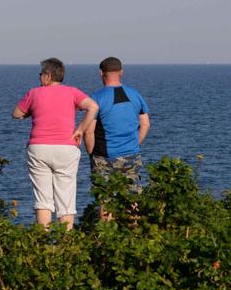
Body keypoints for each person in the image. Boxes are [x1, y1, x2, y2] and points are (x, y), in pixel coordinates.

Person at [12, 58, 98, 228]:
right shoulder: (72, 92)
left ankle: (43, 244)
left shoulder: (34, 93)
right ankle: (65, 245)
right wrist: (80, 129)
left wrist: (31, 112)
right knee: (66, 199)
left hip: (39, 148)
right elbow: (93, 107)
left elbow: (16, 113)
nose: (39, 78)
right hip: (66, 147)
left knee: (43, 199)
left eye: (41, 74)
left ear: (48, 76)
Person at [83, 57, 151, 212]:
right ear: (121, 72)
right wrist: (135, 143)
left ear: (101, 73)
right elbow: (145, 124)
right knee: (133, 199)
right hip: (131, 156)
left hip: (104, 157)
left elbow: (88, 131)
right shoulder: (135, 95)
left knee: (104, 200)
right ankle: (134, 231)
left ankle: (107, 233)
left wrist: (92, 152)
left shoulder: (96, 98)